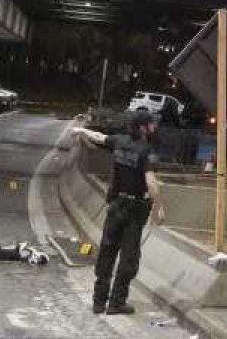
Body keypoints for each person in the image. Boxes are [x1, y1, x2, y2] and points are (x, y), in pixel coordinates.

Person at [72, 113, 167, 315]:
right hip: (135, 209)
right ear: (142, 128)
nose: (154, 127)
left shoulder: (120, 142)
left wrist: (81, 130)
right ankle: (116, 303)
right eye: (151, 124)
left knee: (107, 250)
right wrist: (158, 208)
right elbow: (151, 182)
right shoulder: (147, 151)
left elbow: (98, 137)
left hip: (115, 206)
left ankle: (99, 301)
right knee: (129, 257)